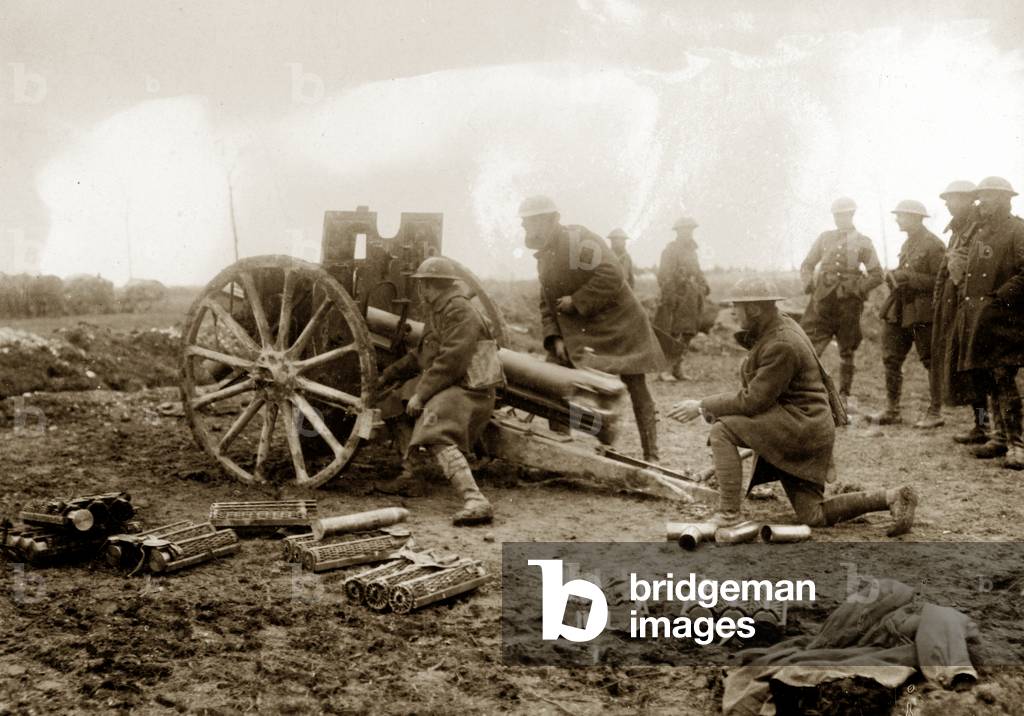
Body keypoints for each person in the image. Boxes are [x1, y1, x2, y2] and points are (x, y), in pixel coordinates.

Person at [667, 276, 918, 536]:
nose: (732, 310)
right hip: (805, 427)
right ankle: (891, 497)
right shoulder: (779, 326)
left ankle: (729, 515)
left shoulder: (781, 343)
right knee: (814, 515)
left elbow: (753, 400)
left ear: (754, 310)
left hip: (800, 428)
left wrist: (701, 405)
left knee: (723, 430)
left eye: (737, 305)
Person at [518, 195, 666, 462]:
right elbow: (547, 300)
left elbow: (612, 274)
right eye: (524, 223)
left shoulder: (578, 241)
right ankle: (570, 446)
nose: (525, 229)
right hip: (582, 328)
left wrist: (576, 301)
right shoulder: (544, 255)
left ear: (548, 221)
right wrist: (555, 337)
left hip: (619, 322)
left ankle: (652, 456)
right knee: (558, 378)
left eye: (529, 223)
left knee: (635, 383)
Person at [374, 256, 500, 525]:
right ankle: (412, 474)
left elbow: (452, 360)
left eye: (423, 285)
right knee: (392, 403)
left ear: (432, 286)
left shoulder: (460, 312)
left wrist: (421, 394)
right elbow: (422, 356)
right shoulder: (440, 310)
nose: (421, 291)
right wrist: (387, 376)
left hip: (470, 390)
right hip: (452, 382)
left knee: (434, 423)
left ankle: (475, 499)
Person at [949, 176, 1024, 470]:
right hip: (980, 320)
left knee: (1004, 379)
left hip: (1006, 319)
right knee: (987, 379)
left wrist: (997, 299)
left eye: (989, 197)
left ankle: (1017, 443)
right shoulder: (981, 232)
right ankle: (997, 437)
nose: (982, 203)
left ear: (1005, 199)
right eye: (980, 198)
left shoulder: (1018, 230)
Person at [800, 197, 884, 406]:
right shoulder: (824, 238)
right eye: (837, 215)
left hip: (849, 305)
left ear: (852, 215)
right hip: (822, 303)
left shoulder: (863, 242)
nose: (840, 219)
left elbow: (877, 274)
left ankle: (844, 396)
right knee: (809, 347)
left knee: (847, 350)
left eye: (845, 214)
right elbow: (807, 265)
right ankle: (809, 392)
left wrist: (857, 289)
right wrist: (809, 283)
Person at [874, 200, 946, 426]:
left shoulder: (934, 245)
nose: (897, 220)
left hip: (923, 312)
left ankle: (935, 413)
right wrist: (895, 276)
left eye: (901, 216)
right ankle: (892, 409)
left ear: (915, 218)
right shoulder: (908, 244)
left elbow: (940, 281)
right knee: (891, 358)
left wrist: (909, 278)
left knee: (930, 361)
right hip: (900, 310)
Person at [931, 181, 989, 441]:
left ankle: (990, 427)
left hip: (974, 307)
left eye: (952, 199)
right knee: (964, 367)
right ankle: (981, 426)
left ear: (969, 201)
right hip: (953, 306)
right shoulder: (957, 231)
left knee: (979, 368)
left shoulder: (981, 229)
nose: (946, 204)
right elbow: (946, 269)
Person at [654, 216, 710, 381]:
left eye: (691, 229)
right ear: (677, 232)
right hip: (675, 300)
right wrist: (671, 296)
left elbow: (698, 272)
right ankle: (664, 370)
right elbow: (664, 275)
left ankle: (677, 368)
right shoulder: (670, 250)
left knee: (687, 333)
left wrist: (704, 285)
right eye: (685, 229)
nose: (688, 232)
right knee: (672, 334)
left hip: (692, 299)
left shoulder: (693, 252)